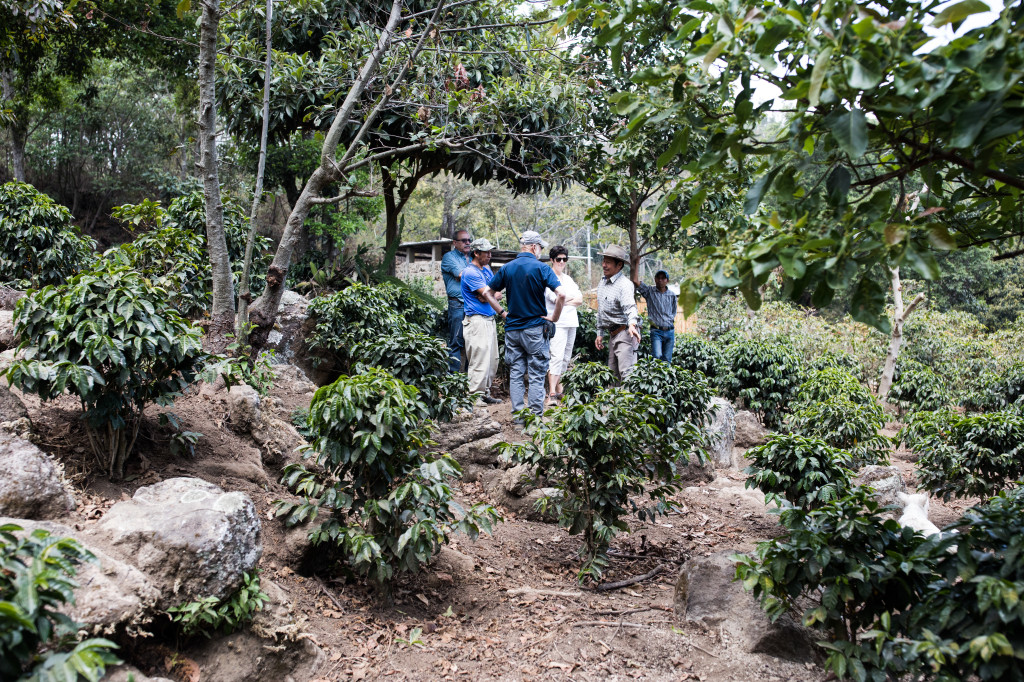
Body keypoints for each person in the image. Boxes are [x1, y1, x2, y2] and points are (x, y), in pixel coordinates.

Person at [480, 230, 566, 419]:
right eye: (540, 247)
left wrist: (503, 313)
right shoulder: (541, 268)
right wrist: (555, 318)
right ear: (534, 247)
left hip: (513, 330)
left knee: (516, 373)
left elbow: (487, 293)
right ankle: (534, 419)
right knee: (536, 374)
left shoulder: (507, 268)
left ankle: (518, 417)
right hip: (535, 329)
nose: (540, 251)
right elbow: (561, 294)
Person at [460, 238, 502, 405]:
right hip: (476, 320)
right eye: (486, 252)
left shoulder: (486, 270)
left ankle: (485, 392)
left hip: (489, 318)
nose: (490, 255)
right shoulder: (471, 272)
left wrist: (489, 295)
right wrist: (488, 295)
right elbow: (489, 294)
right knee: (479, 358)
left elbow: (493, 293)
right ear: (476, 253)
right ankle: (474, 395)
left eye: (490, 252)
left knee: (492, 359)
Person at [595, 244, 640, 380]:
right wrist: (600, 333)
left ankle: (630, 401)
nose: (604, 265)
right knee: (613, 375)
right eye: (603, 261)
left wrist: (632, 324)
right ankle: (614, 401)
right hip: (612, 334)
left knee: (627, 374)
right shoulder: (602, 283)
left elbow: (630, 307)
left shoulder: (624, 285)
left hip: (625, 333)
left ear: (619, 265)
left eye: (608, 262)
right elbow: (601, 310)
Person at [544, 245, 583, 405]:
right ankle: (551, 393)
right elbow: (555, 299)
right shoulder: (548, 278)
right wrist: (566, 298)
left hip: (571, 322)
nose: (561, 262)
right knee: (556, 356)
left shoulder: (568, 279)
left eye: (564, 259)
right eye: (558, 259)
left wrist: (564, 299)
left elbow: (580, 299)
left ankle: (560, 390)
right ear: (552, 260)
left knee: (566, 358)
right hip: (557, 323)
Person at [441, 229, 472, 373]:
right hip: (457, 304)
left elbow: (467, 275)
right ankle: (453, 381)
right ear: (455, 243)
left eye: (469, 240)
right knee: (456, 342)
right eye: (464, 240)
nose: (468, 243)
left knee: (472, 344)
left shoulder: (473, 257)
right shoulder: (449, 257)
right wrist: (472, 275)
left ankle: (469, 381)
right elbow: (461, 274)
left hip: (473, 305)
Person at [635, 269, 677, 363]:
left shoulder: (672, 295)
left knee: (667, 359)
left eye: (663, 278)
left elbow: (674, 311)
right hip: (656, 331)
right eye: (658, 278)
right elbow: (635, 281)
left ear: (667, 281)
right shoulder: (649, 292)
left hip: (670, 330)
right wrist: (636, 261)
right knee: (657, 356)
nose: (660, 280)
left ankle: (665, 377)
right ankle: (655, 375)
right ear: (655, 279)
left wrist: (668, 321)